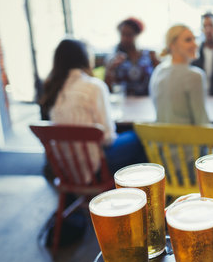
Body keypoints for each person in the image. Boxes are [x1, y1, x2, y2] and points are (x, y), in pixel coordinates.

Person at [39, 39, 147, 176]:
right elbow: (107, 138)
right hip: (93, 165)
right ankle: (135, 191)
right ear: (85, 58)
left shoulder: (53, 88)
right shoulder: (93, 86)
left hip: (66, 167)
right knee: (139, 138)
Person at [149, 24, 209, 125]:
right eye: (188, 40)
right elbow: (202, 122)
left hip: (161, 139)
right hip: (187, 139)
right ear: (172, 45)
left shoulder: (158, 71)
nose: (195, 44)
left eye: (195, 39)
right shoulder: (194, 76)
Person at [105, 17, 160, 96]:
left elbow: (159, 79)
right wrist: (110, 69)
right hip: (124, 103)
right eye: (122, 34)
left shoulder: (149, 55)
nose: (125, 38)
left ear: (137, 35)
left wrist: (157, 63)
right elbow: (108, 88)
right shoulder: (114, 58)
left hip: (146, 101)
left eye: (129, 34)